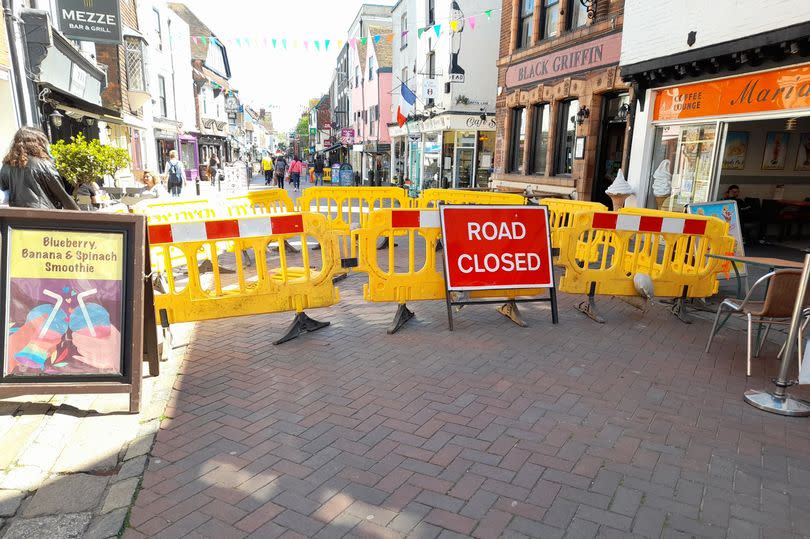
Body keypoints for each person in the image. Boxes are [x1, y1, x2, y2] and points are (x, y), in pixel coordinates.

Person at [0, 127, 79, 210]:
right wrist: (80, 215)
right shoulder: (43, 164)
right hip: (44, 216)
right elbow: (62, 196)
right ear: (38, 143)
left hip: (17, 218)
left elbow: (3, 192)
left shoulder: (7, 166)